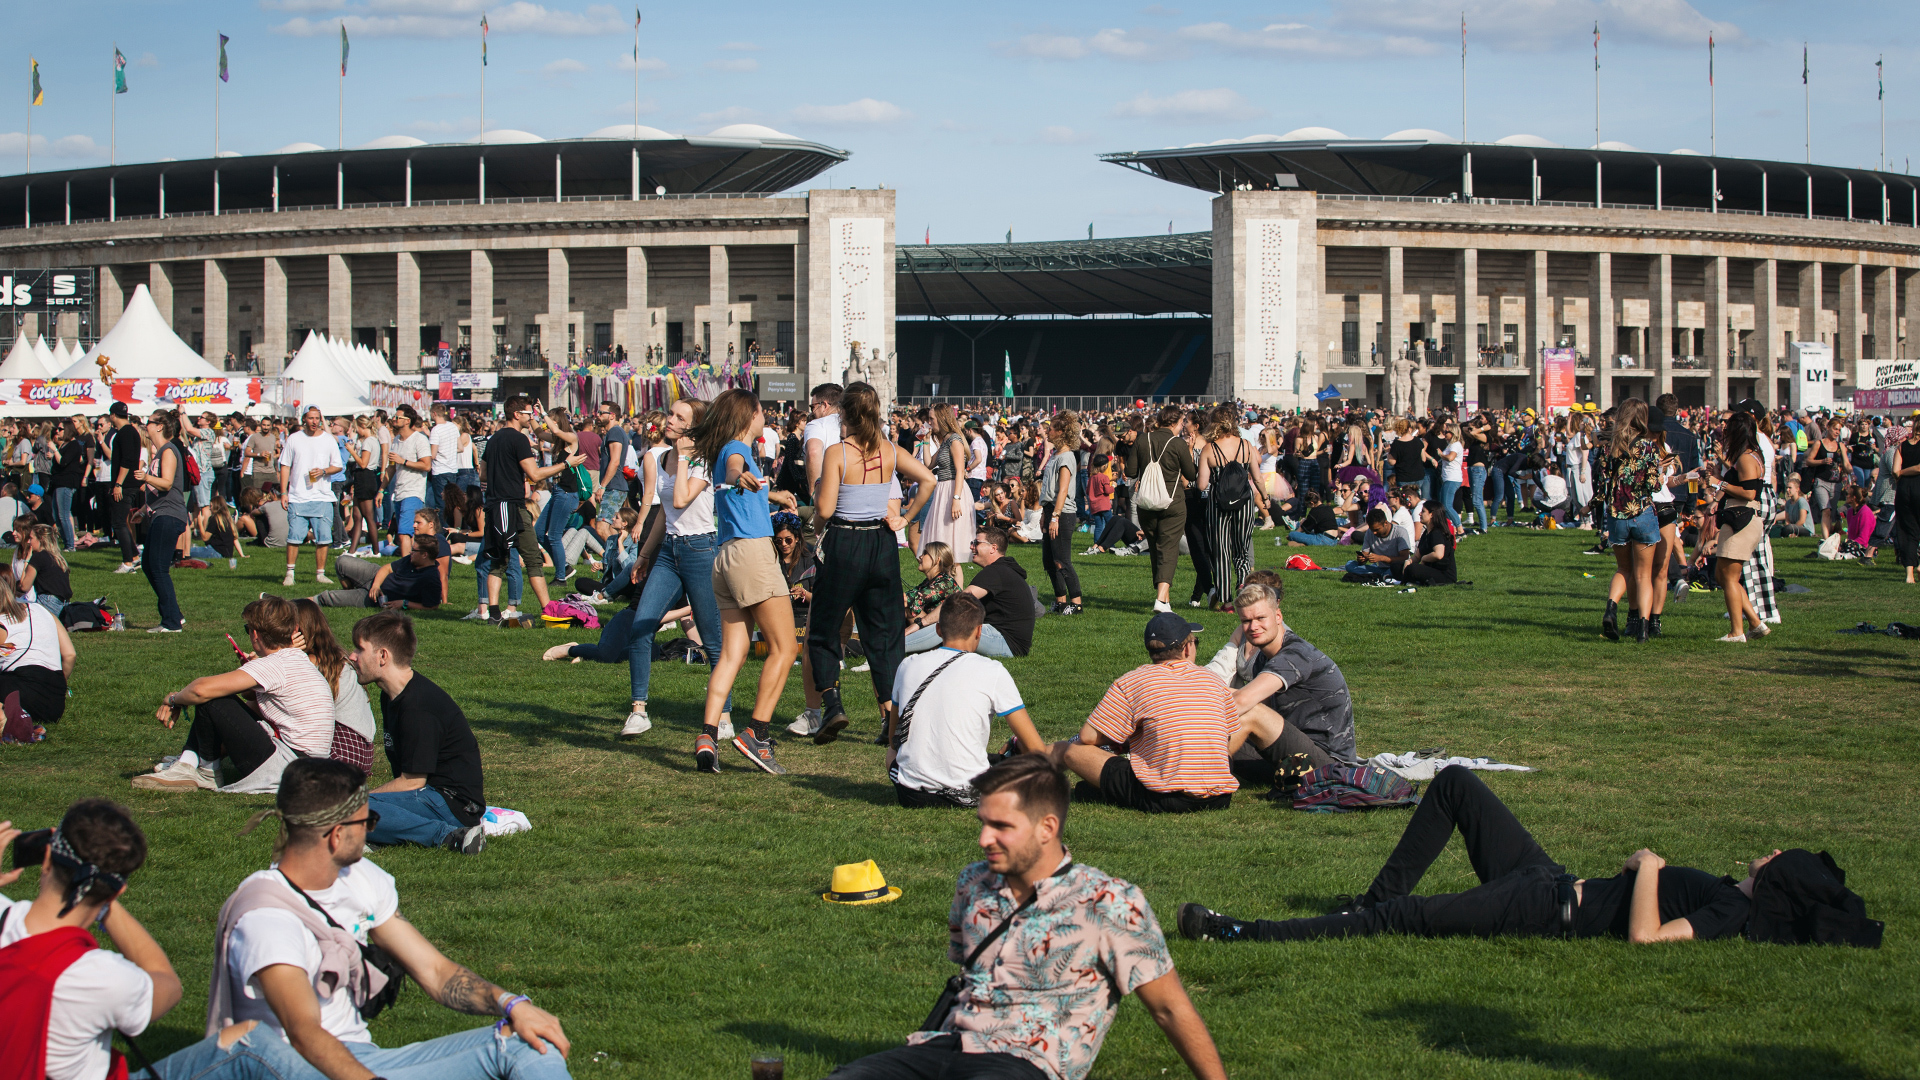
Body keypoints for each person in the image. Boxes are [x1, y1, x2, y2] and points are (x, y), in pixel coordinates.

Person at [826, 755, 1226, 1080]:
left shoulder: (1109, 902)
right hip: (941, 1046)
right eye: (983, 823)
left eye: (1001, 826)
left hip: (1026, 1060)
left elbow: (1170, 1009)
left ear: (1046, 828)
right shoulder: (973, 882)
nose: (984, 838)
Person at [205, 758, 568, 1079]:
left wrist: (512, 1004)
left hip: (364, 1059)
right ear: (336, 835)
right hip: (297, 1067)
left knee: (528, 1041)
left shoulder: (360, 879)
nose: (374, 831)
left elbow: (435, 972)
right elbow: (303, 1033)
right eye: (370, 820)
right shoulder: (267, 916)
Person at [1177, 765, 1759, 946]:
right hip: (1550, 876)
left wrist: (1651, 868)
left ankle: (1240, 932)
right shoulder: (1731, 892)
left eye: (1786, 857)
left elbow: (1647, 940)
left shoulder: (1731, 913)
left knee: (1401, 921)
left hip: (1546, 909)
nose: (1774, 850)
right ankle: (1371, 903)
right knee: (1455, 783)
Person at [0, 802, 193, 1080]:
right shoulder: (104, 977)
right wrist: (107, 904)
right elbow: (168, 985)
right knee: (255, 1048)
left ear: (46, 860)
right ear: (117, 892)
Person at [808, 382, 936, 745]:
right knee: (885, 634)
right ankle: (891, 718)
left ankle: (832, 704)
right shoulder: (890, 449)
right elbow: (927, 479)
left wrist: (817, 500)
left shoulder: (837, 452)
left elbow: (825, 510)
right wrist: (907, 516)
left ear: (843, 414)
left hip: (845, 540)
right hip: (881, 543)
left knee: (825, 627)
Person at [691, 388, 802, 773]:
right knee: (785, 648)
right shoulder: (736, 450)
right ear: (751, 414)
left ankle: (707, 735)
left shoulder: (729, 451)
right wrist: (744, 478)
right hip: (752, 557)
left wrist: (773, 493)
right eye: (762, 412)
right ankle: (756, 733)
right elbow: (736, 470)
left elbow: (742, 487)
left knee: (733, 653)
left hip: (725, 558)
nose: (765, 417)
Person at [134, 596, 337, 793]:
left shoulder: (275, 664)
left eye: (247, 629)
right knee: (217, 696)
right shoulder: (297, 659)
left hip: (290, 767)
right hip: (310, 766)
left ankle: (205, 773)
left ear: (255, 634)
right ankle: (188, 761)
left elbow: (200, 690)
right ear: (293, 630)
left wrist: (172, 699)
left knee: (214, 698)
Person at [1049, 612, 1237, 814]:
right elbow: (1226, 737)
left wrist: (1125, 741)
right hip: (1220, 796)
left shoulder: (1133, 681)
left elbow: (1087, 736)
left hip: (1165, 798)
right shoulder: (1213, 680)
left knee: (1074, 750)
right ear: (1187, 648)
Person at [347, 612, 489, 853]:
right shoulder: (391, 695)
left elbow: (412, 781)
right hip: (428, 797)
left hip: (452, 805)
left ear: (383, 656)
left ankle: (451, 837)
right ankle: (379, 833)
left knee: (346, 811)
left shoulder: (418, 705)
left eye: (359, 649)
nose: (352, 656)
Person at [888, 594, 1045, 808]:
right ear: (979, 631)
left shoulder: (908, 665)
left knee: (891, 754)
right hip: (970, 794)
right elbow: (1036, 748)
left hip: (912, 794)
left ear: (938, 630)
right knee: (1022, 749)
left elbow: (893, 738)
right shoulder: (992, 670)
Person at [1202, 581, 1358, 772]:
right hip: (1291, 752)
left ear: (1278, 616)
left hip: (1329, 763)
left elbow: (1242, 701)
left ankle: (1206, 780)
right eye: (1246, 621)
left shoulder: (1296, 655)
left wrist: (1192, 718)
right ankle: (1180, 771)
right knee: (1212, 738)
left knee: (1251, 712)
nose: (1253, 626)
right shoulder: (1263, 658)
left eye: (1260, 618)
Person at [482, 396, 583, 625]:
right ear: (517, 414)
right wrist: (566, 464)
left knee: (498, 561)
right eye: (529, 414)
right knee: (533, 560)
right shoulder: (518, 439)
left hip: (494, 507)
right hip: (513, 508)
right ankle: (548, 610)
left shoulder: (493, 439)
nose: (531, 418)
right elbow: (535, 474)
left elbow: (483, 475)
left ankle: (494, 612)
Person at [908, 526, 1028, 659]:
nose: (971, 547)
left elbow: (959, 602)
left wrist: (921, 623)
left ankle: (893, 647)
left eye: (976, 543)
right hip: (1006, 640)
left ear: (993, 548)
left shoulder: (997, 571)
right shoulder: (1001, 569)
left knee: (952, 623)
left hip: (1007, 642)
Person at [1598, 399, 1662, 643]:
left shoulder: (1609, 445)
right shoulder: (1648, 447)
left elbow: (1603, 477)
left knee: (1623, 569)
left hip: (1617, 515)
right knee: (1644, 575)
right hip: (1642, 512)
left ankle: (1611, 608)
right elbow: (1653, 485)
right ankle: (1643, 630)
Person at [289, 599, 377, 774]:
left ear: (297, 630)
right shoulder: (336, 657)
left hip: (340, 750)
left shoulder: (309, 662)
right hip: (362, 752)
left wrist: (282, 657)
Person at [1124, 406, 1198, 614]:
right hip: (1172, 502)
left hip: (1147, 502)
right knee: (1168, 548)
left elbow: (1130, 471)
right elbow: (1191, 475)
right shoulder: (1178, 444)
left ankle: (1164, 600)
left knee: (1156, 549)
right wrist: (1190, 451)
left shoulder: (1142, 440)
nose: (1183, 426)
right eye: (1182, 422)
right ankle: (1161, 599)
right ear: (1174, 423)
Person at [1706, 412, 1772, 643]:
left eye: (1727, 429)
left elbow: (1750, 492)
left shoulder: (1746, 457)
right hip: (1741, 517)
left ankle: (1737, 631)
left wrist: (1719, 483)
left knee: (1729, 578)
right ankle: (1755, 623)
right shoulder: (1751, 455)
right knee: (1723, 575)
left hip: (1741, 517)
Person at [1197, 404, 1266, 610]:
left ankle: (1226, 600)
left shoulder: (1209, 449)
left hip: (1218, 505)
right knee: (1242, 550)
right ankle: (1243, 589)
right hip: (1244, 503)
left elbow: (1202, 484)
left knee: (1221, 552)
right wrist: (1265, 496)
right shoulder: (1246, 446)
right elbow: (1258, 477)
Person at [314, 510, 451, 610]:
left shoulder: (437, 546)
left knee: (327, 597)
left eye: (418, 522)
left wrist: (443, 600)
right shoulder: (416, 553)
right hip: (376, 576)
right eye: (414, 522)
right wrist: (375, 585)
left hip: (380, 598)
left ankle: (350, 595)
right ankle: (352, 591)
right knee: (342, 561)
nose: (414, 525)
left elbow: (442, 575)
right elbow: (387, 568)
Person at [132, 411, 191, 633]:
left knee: (158, 567)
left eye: (148, 422)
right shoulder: (160, 453)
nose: (145, 425)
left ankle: (171, 623)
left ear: (159, 426)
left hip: (169, 516)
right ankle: (175, 615)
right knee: (148, 564)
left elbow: (166, 483)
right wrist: (142, 509)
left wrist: (145, 477)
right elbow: (161, 490)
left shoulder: (168, 450)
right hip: (160, 514)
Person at [277, 407, 345, 588]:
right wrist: (284, 492)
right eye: (311, 418)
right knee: (294, 536)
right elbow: (285, 465)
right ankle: (290, 572)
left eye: (317, 418)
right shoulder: (294, 439)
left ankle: (320, 573)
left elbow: (337, 466)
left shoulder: (328, 440)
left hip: (322, 495)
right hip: (298, 496)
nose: (314, 421)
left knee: (323, 537)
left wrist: (323, 471)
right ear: (304, 419)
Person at [0, 572, 76, 735]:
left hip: (21, 688)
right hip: (54, 703)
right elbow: (70, 655)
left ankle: (9, 721)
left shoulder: (2, 622)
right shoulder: (41, 610)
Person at [1036, 412, 1085, 616]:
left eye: (1052, 427)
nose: (1048, 430)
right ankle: (1060, 601)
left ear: (1062, 432)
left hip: (1062, 513)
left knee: (1062, 560)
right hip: (1051, 510)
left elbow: (1063, 490)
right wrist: (1044, 514)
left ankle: (1077, 603)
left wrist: (1055, 516)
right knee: (1049, 560)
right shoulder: (1055, 455)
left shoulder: (1066, 456)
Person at [918, 404, 977, 562]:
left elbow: (960, 471)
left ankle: (956, 586)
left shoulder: (954, 440)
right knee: (942, 542)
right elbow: (929, 464)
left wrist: (956, 499)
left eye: (932, 418)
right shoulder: (945, 441)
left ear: (942, 419)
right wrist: (925, 441)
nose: (929, 422)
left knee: (952, 551)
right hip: (943, 490)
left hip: (953, 490)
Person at [533, 408, 583, 587]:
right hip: (558, 492)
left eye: (551, 420)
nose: (547, 424)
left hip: (568, 494)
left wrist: (543, 414)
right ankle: (565, 568)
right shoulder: (559, 440)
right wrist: (532, 416)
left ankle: (560, 577)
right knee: (539, 533)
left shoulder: (571, 437)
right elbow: (539, 432)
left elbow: (554, 430)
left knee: (554, 536)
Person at [387, 405, 432, 560]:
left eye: (397, 417)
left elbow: (426, 465)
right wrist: (381, 490)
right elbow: (391, 468)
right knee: (410, 534)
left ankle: (404, 569)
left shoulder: (419, 439)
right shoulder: (396, 441)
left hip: (413, 492)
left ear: (407, 421)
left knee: (404, 532)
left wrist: (404, 461)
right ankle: (415, 564)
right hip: (399, 492)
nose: (394, 419)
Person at [106, 403, 142, 574]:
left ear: (113, 416)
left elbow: (127, 461)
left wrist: (118, 484)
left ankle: (128, 561)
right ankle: (134, 557)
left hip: (125, 484)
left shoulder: (125, 433)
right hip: (128, 483)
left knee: (119, 523)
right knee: (122, 522)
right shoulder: (130, 431)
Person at [1341, 508, 1411, 582]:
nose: (1374, 533)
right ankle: (1380, 576)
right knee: (1350, 565)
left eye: (1377, 530)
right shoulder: (1369, 533)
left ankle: (1374, 576)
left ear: (1386, 523)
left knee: (1396, 570)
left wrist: (1381, 558)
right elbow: (1365, 553)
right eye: (1372, 530)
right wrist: (1362, 559)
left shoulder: (1400, 532)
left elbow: (1404, 558)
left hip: (1395, 568)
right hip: (1379, 568)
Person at [17, 523, 72, 615]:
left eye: (31, 538)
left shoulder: (38, 557)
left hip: (48, 602)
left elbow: (24, 587)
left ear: (41, 539)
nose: (28, 542)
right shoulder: (58, 557)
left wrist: (27, 560)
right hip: (64, 603)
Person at [1399, 500, 1458, 586]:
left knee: (1413, 568)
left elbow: (1438, 554)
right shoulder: (1426, 533)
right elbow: (1417, 556)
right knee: (1397, 566)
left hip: (1444, 575)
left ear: (1432, 514)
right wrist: (1408, 561)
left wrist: (1424, 559)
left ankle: (1411, 579)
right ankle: (1410, 578)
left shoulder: (1437, 533)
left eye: (1423, 511)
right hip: (1431, 570)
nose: (1419, 514)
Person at [1893, 415, 1920, 585]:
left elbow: (1895, 471)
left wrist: (1902, 473)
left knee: (1908, 531)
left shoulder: (1901, 446)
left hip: (1903, 490)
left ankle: (1909, 574)